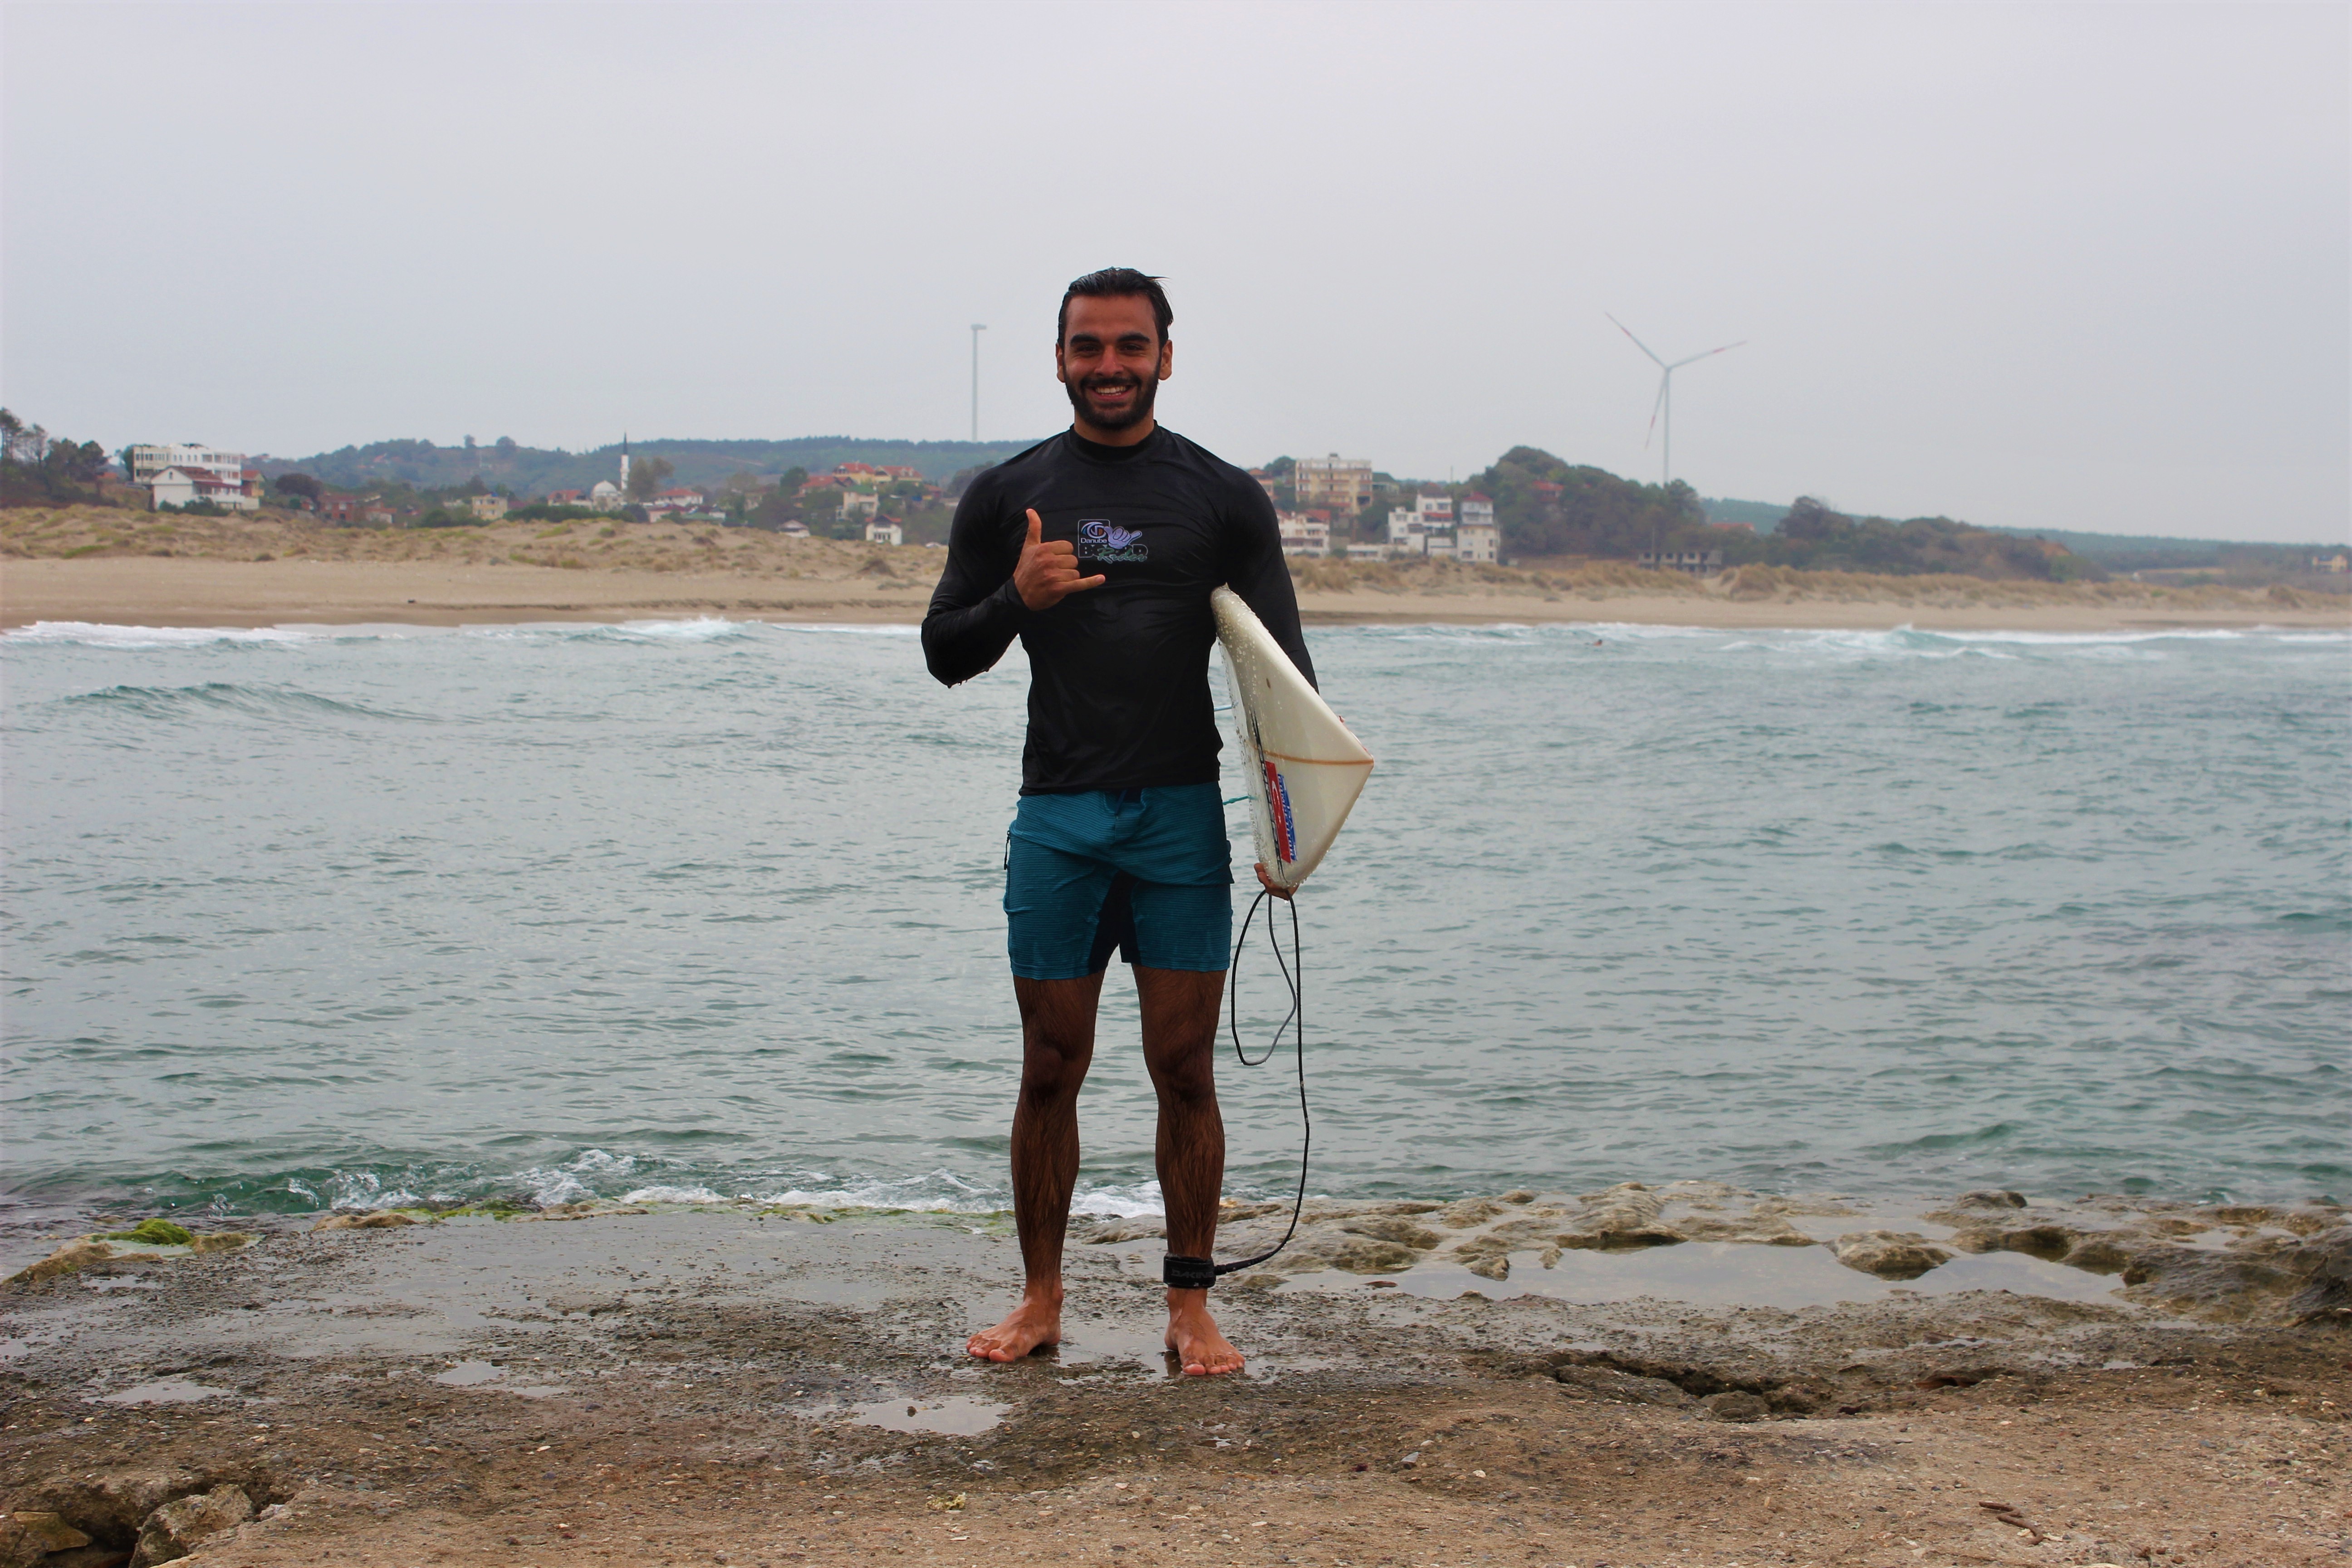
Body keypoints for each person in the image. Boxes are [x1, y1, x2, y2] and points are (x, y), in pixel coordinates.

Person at [921, 268, 1314, 1377]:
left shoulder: (1224, 497)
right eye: (1087, 348)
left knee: (1185, 1065)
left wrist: (1291, 829)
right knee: (1051, 1063)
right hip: (1057, 814)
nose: (1109, 366)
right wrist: (1018, 601)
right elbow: (946, 652)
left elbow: (1283, 675)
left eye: (1129, 347)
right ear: (1058, 359)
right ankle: (1043, 1298)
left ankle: (1190, 1308)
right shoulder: (1008, 496)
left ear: (1165, 357)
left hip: (1182, 817)